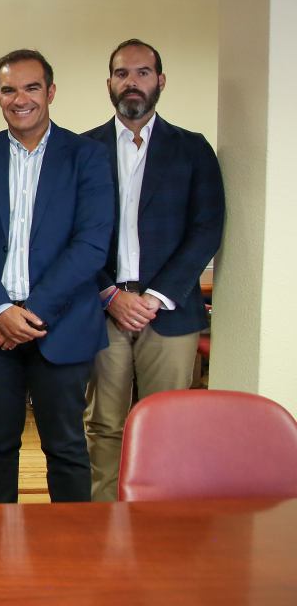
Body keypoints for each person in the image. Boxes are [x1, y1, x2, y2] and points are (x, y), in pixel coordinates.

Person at [0, 48, 114, 503]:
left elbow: (91, 245)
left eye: (31, 87)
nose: (19, 98)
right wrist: (3, 311)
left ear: (51, 92)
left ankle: (70, 558)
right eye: (9, 90)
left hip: (61, 324)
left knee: (64, 446)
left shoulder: (87, 156)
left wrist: (32, 313)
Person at [83, 38, 225, 501]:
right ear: (109, 83)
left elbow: (206, 227)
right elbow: (71, 232)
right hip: (103, 308)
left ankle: (161, 521)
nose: (132, 82)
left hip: (170, 310)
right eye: (122, 73)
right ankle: (102, 519)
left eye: (143, 73)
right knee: (104, 424)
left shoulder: (192, 149)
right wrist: (110, 294)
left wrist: (154, 297)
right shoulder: (82, 150)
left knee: (166, 422)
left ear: (160, 81)